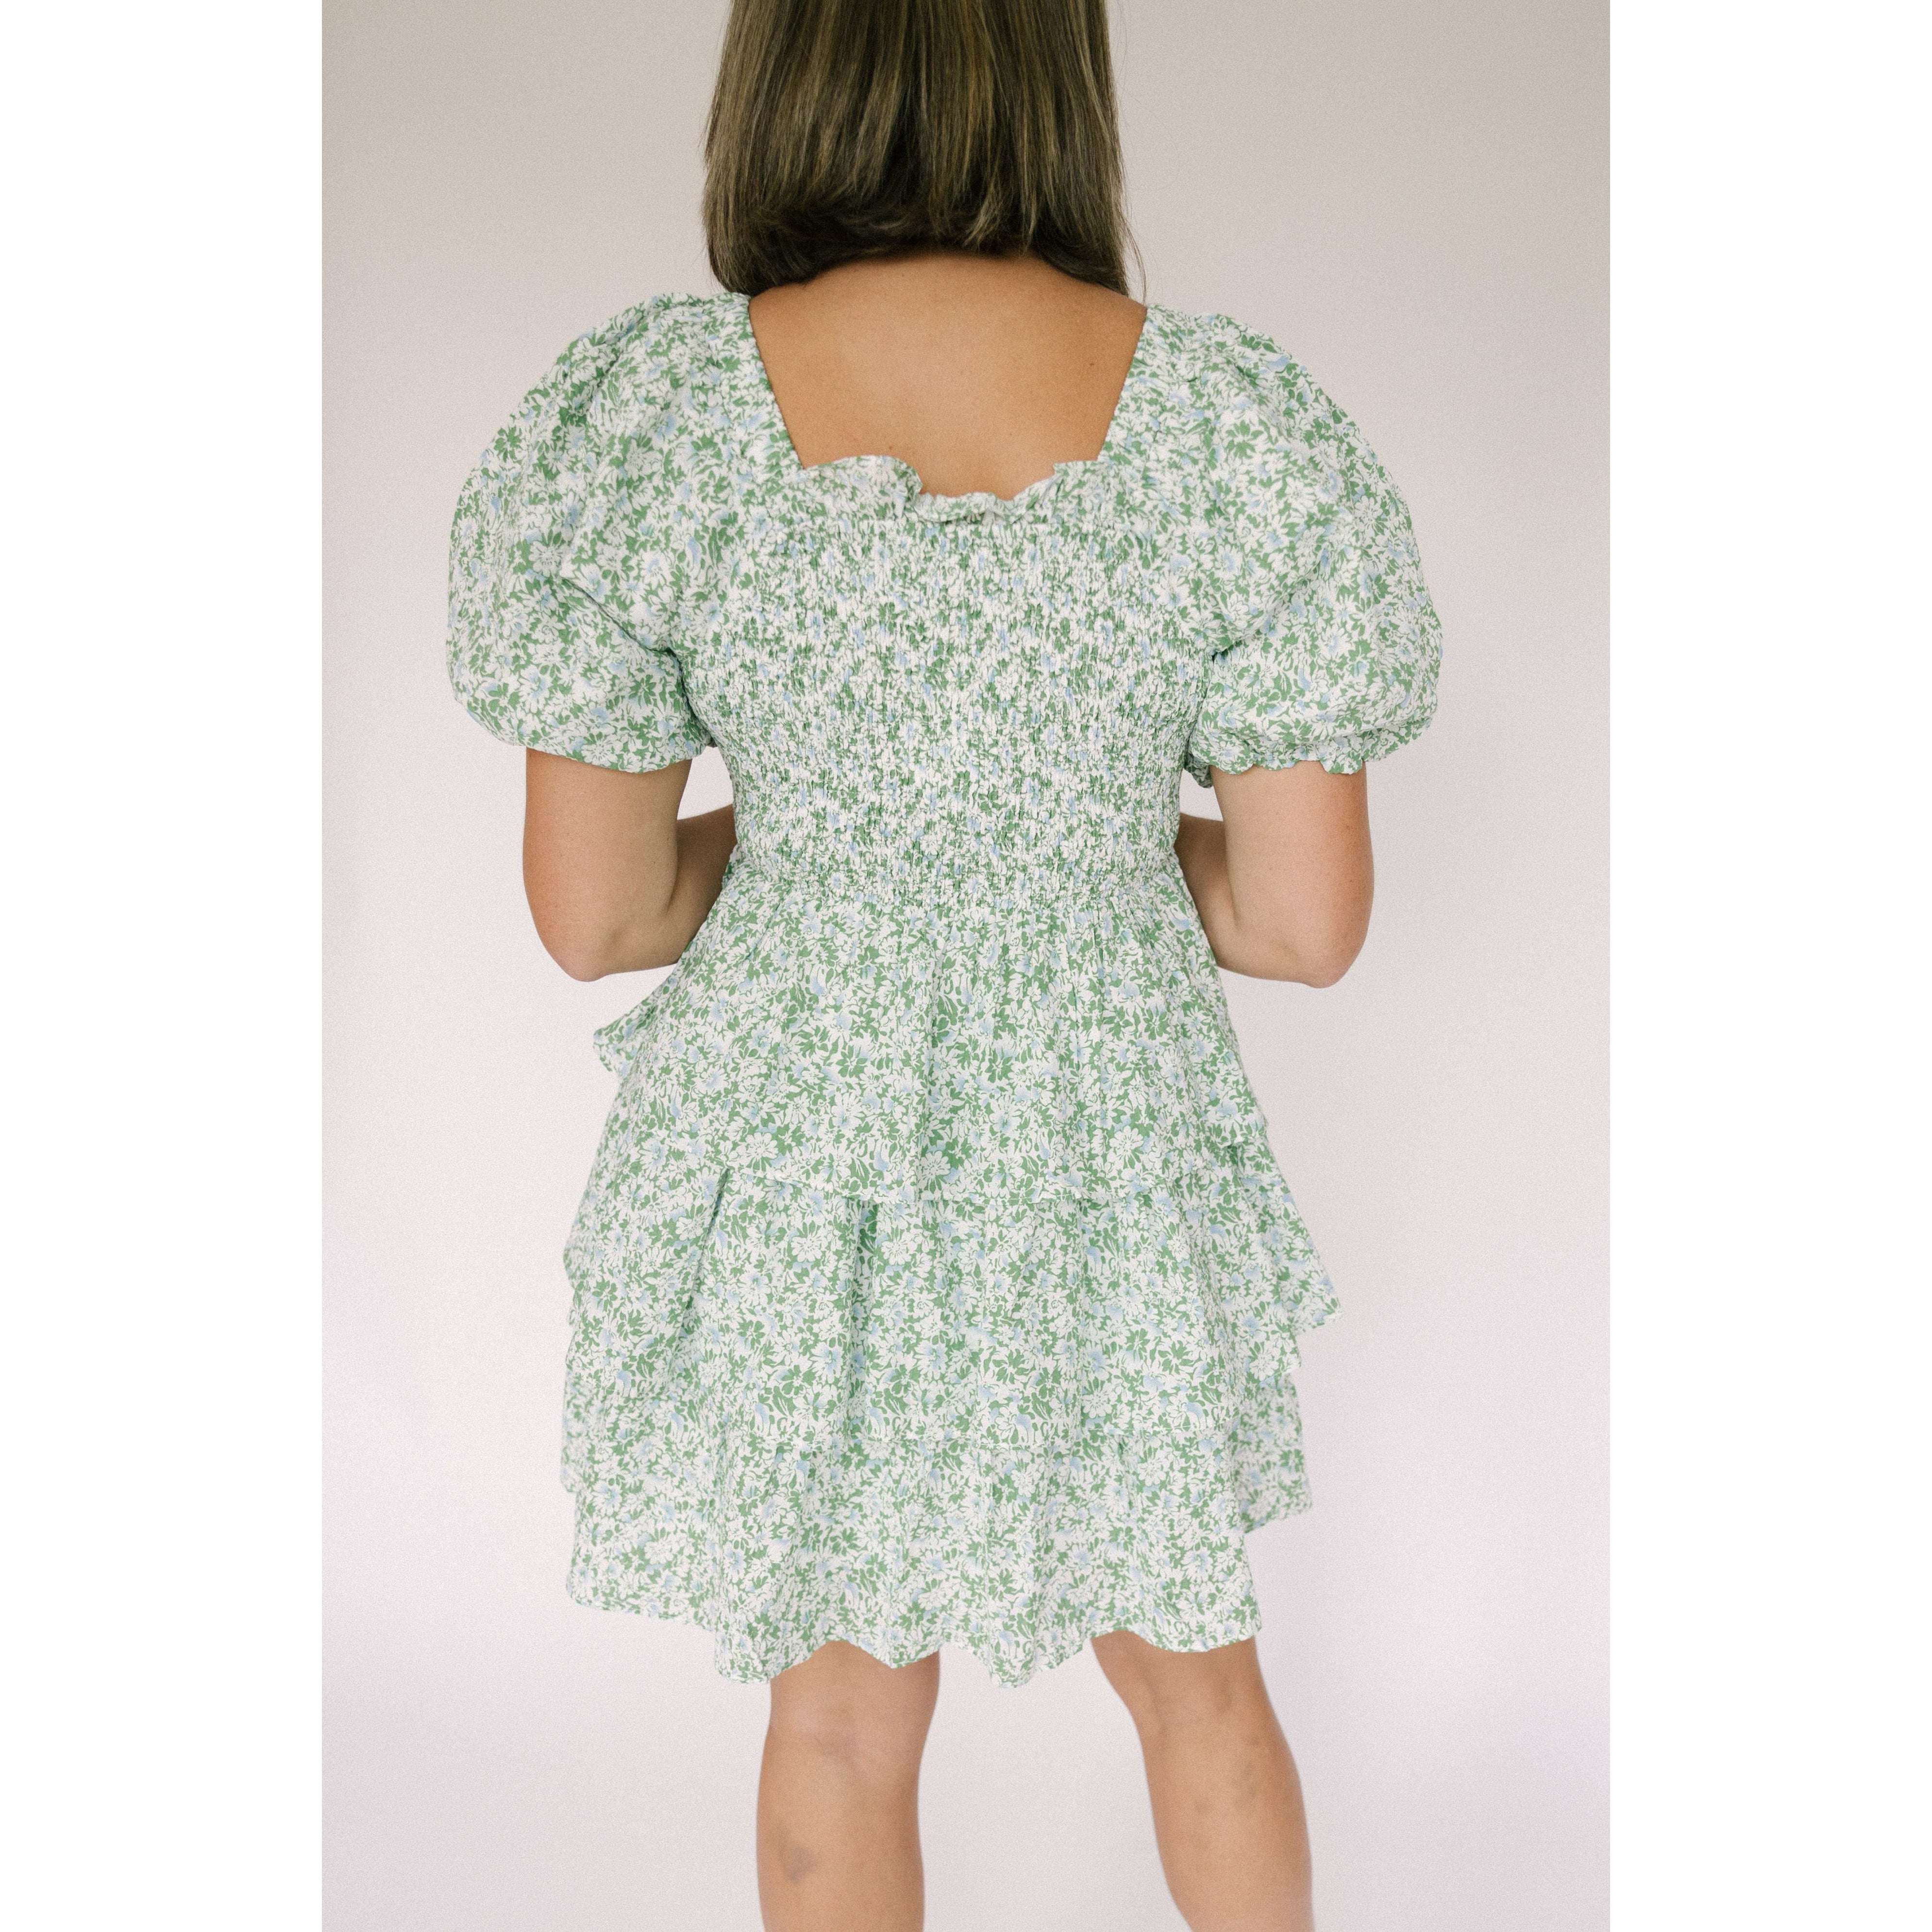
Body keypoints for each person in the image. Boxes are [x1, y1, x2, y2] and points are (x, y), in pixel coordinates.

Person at [447, 1, 1441, 1924]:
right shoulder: (1224, 425)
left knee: (834, 1717)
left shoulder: (658, 421)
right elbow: (1298, 922)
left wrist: (837, 841)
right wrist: (1068, 838)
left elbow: (602, 915)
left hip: (806, 1163)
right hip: (1099, 1159)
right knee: (1199, 1685)